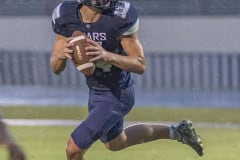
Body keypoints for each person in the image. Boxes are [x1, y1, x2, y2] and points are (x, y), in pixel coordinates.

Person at [50, 0, 203, 159]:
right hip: (96, 92)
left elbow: (140, 64)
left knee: (73, 148)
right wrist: (61, 56)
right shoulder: (66, 15)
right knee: (116, 143)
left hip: (117, 94)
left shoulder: (119, 16)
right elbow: (55, 68)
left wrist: (107, 56)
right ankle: (178, 131)